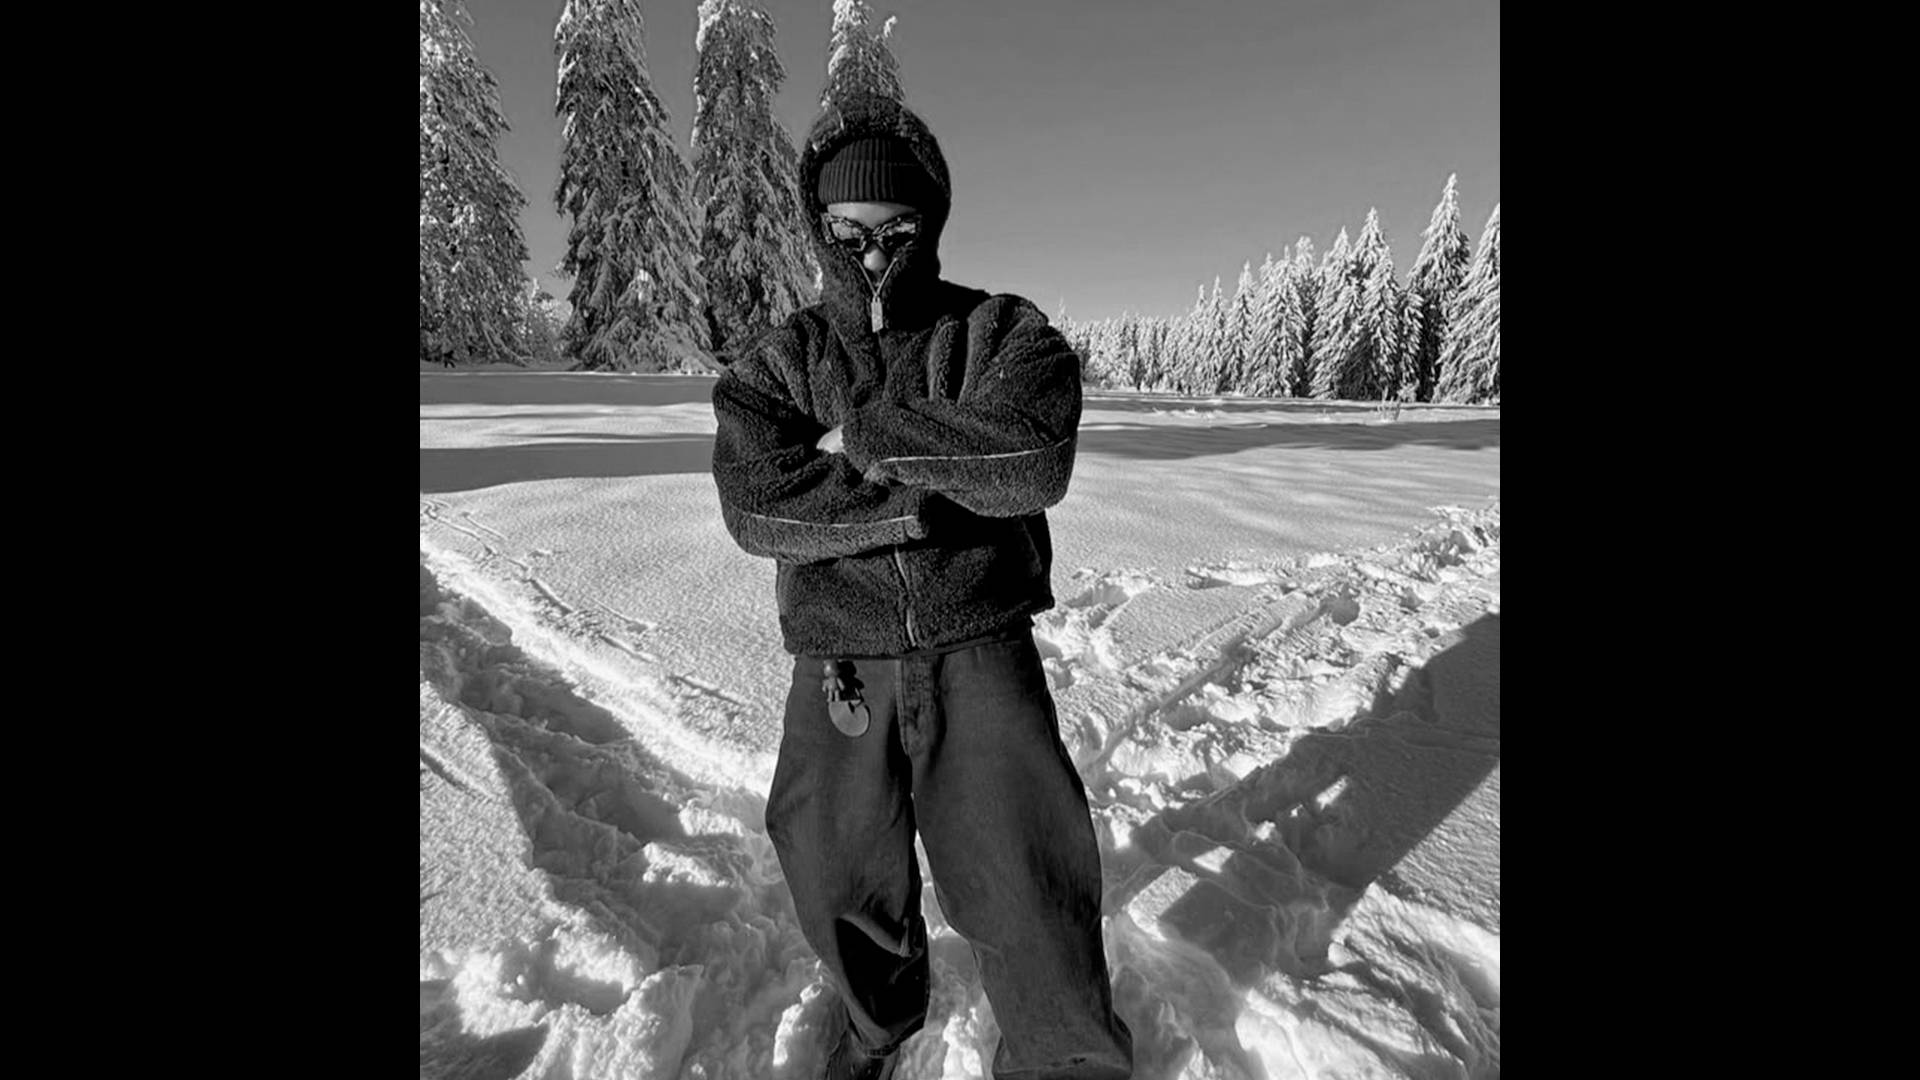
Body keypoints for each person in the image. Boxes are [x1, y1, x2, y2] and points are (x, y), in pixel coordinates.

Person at [709, 91, 1134, 1080]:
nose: (871, 252)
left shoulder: (997, 330)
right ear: (818, 224)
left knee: (1025, 873)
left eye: (894, 228)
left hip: (980, 646)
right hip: (840, 663)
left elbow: (1030, 457)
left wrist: (861, 438)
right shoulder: (780, 361)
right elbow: (757, 501)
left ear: (929, 220)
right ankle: (877, 1026)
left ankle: (1067, 1060)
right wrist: (929, 493)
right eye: (848, 229)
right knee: (831, 864)